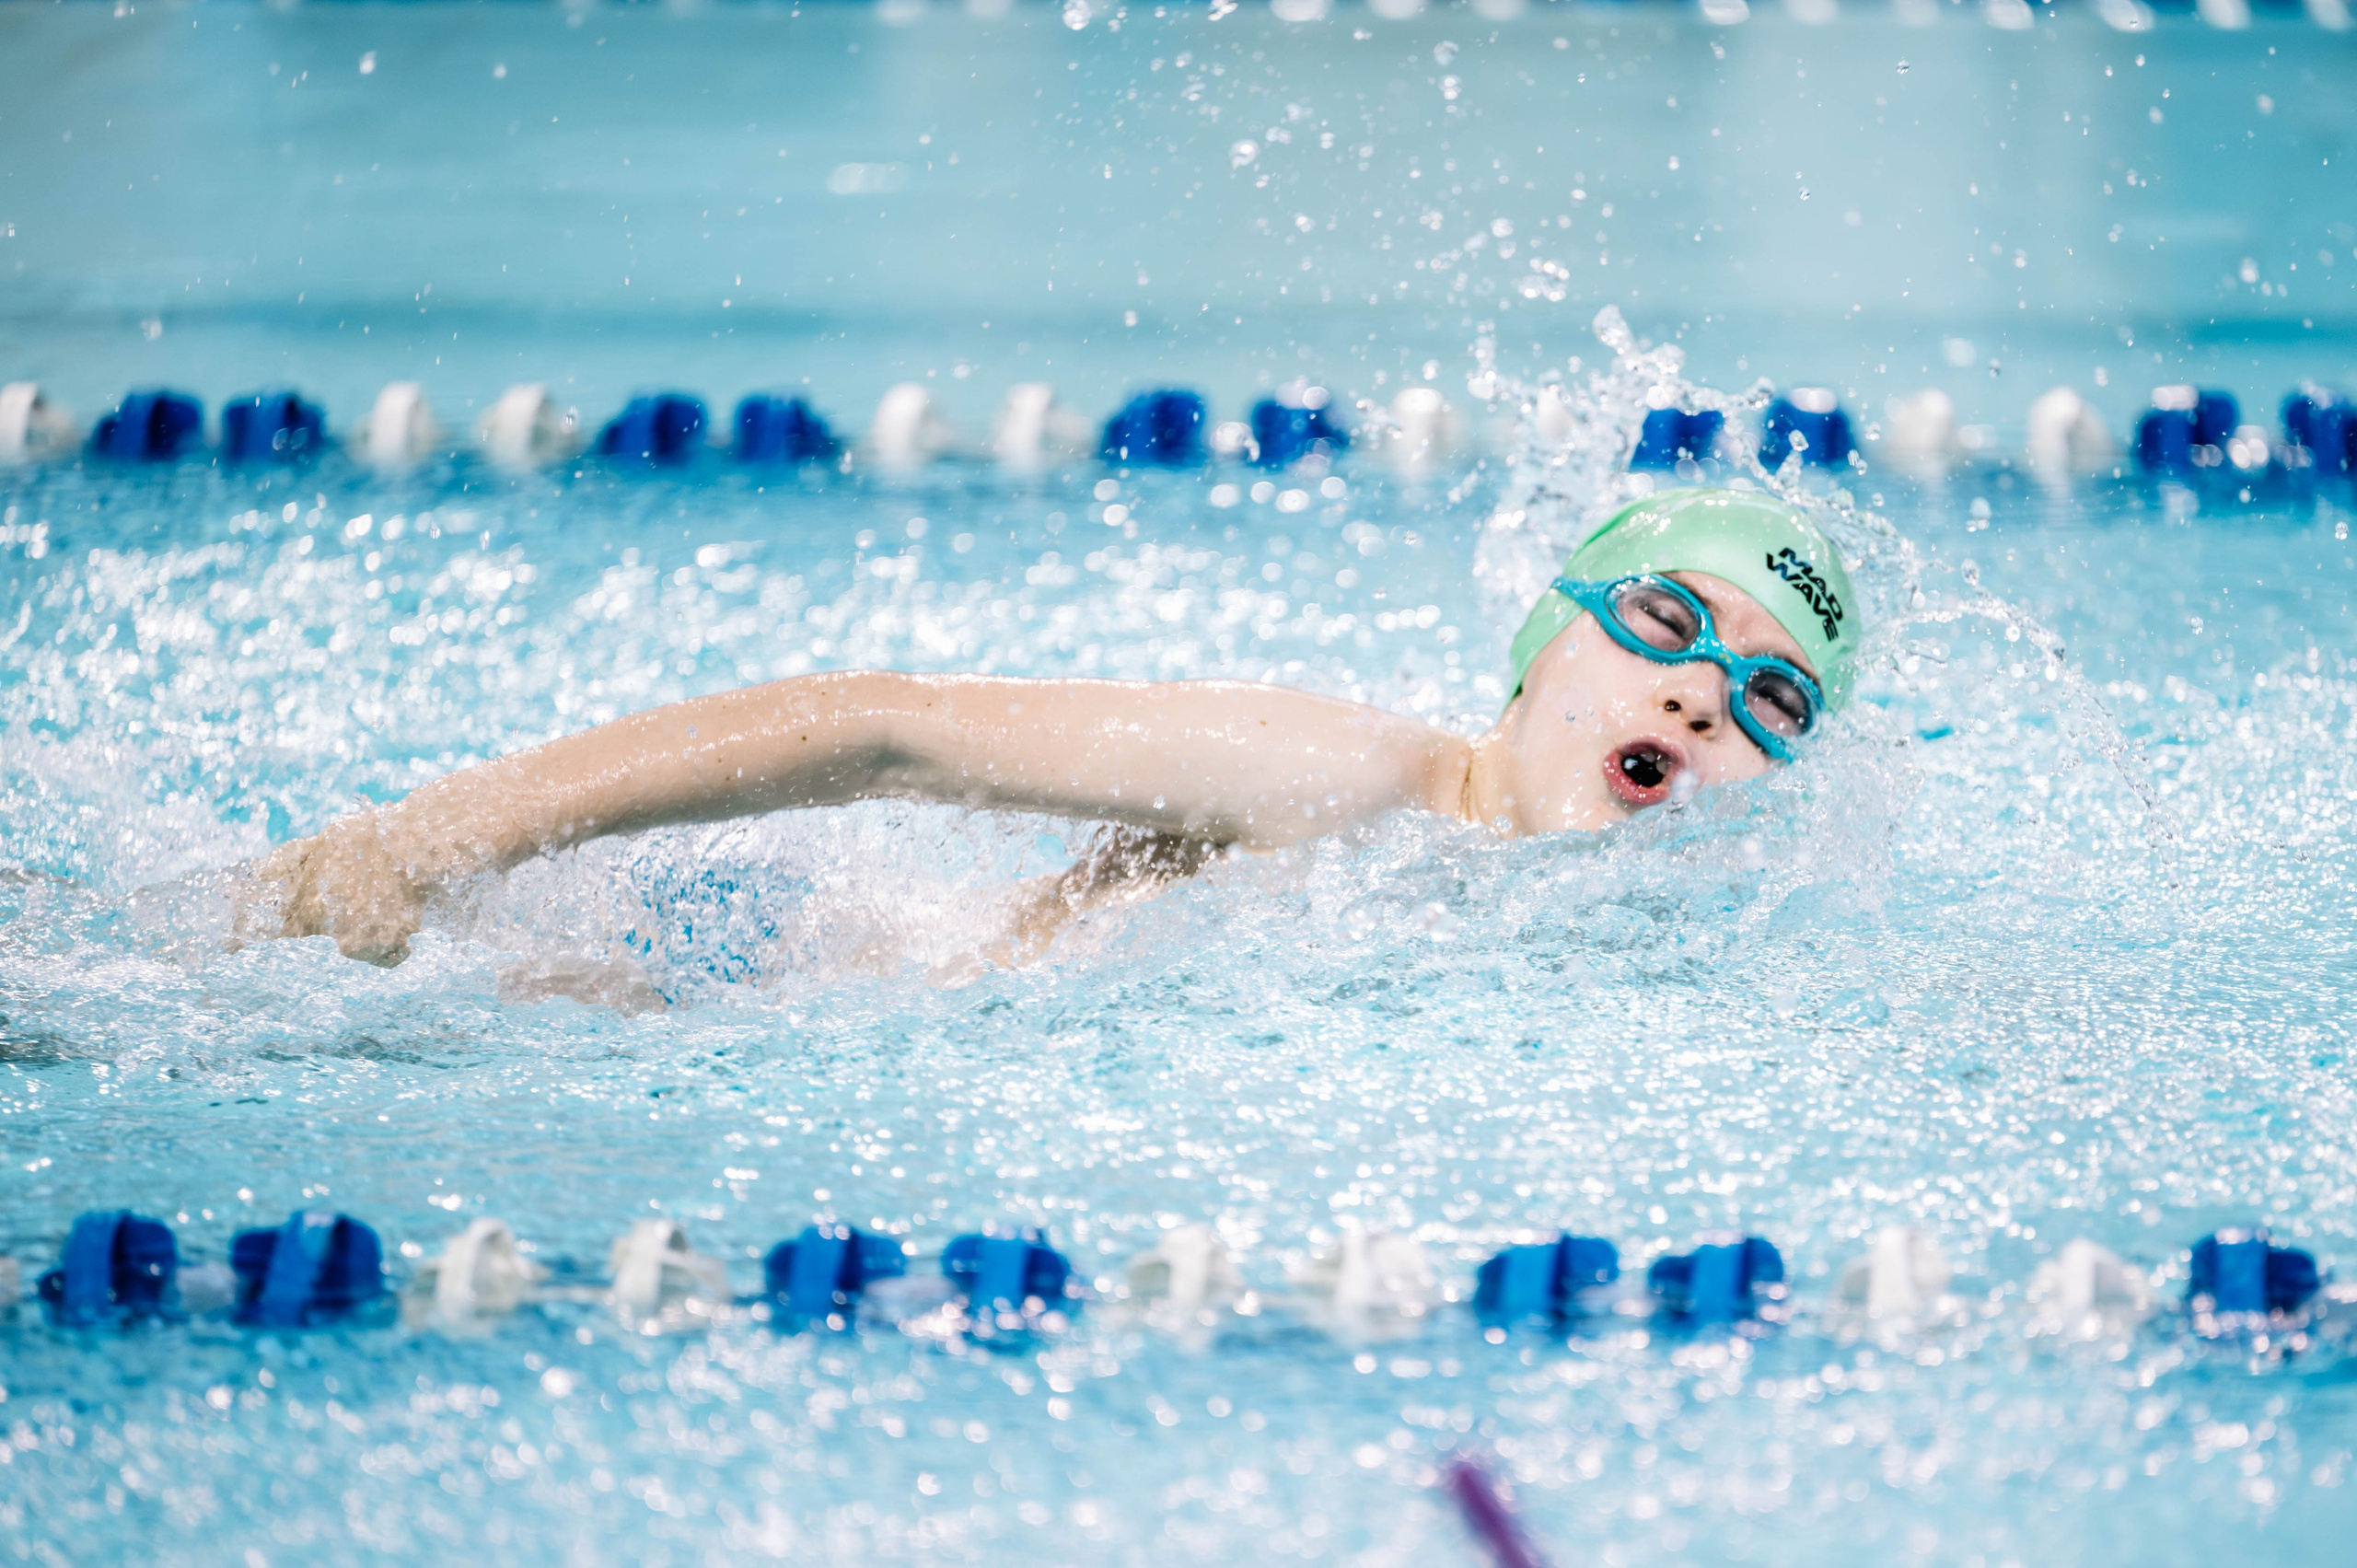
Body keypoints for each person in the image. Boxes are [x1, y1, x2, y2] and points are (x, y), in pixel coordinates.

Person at [247, 487, 1860, 969]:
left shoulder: (1642, 938)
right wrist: (437, 836)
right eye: (1667, 622)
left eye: (1770, 699)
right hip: (713, 1019)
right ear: (1535, 650)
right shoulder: (1352, 780)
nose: (1699, 693)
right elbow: (881, 729)